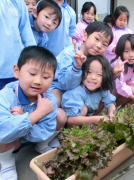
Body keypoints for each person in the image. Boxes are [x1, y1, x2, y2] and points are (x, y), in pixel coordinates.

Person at [0, 46, 57, 179]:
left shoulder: (49, 99)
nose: (38, 81)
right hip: (8, 141)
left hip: (29, 137)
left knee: (59, 115)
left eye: (46, 77)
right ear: (17, 71)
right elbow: (3, 133)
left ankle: (41, 145)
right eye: (32, 74)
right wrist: (36, 115)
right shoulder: (5, 96)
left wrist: (23, 122)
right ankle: (6, 161)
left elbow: (46, 130)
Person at [51, 21, 113, 107]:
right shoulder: (70, 53)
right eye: (97, 39)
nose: (99, 45)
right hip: (57, 86)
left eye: (104, 44)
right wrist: (76, 67)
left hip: (75, 92)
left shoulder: (95, 58)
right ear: (85, 36)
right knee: (55, 102)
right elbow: (64, 84)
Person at [61, 55, 116, 126]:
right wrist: (98, 119)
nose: (93, 77)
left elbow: (110, 103)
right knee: (83, 109)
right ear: (82, 72)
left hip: (87, 122)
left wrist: (111, 113)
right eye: (89, 72)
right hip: (71, 127)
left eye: (99, 74)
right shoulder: (75, 93)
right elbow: (70, 120)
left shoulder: (101, 90)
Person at [0, 0, 36, 90]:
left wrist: (35, 59)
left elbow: (26, 33)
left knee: (12, 101)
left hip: (13, 69)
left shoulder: (18, 2)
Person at [111, 34, 134, 107]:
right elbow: (120, 87)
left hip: (118, 92)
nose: (131, 55)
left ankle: (119, 107)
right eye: (126, 51)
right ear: (120, 51)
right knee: (131, 90)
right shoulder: (118, 65)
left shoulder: (131, 64)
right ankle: (112, 108)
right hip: (109, 94)